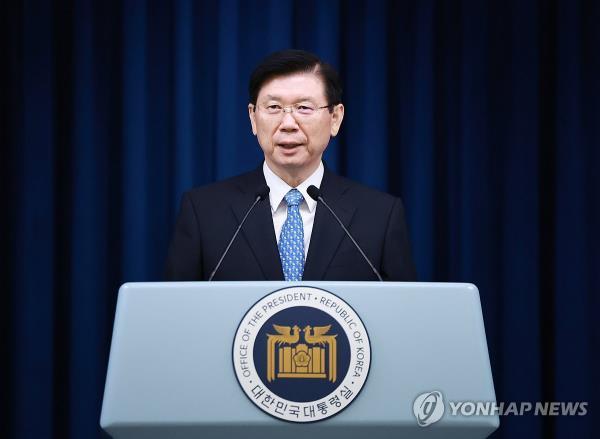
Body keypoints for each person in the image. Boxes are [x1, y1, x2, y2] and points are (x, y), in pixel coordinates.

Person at [165, 49, 416, 281]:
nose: (288, 123)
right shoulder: (204, 212)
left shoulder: (380, 216)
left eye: (303, 108)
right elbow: (176, 316)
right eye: (274, 107)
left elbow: (404, 317)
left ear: (335, 118)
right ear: (253, 117)